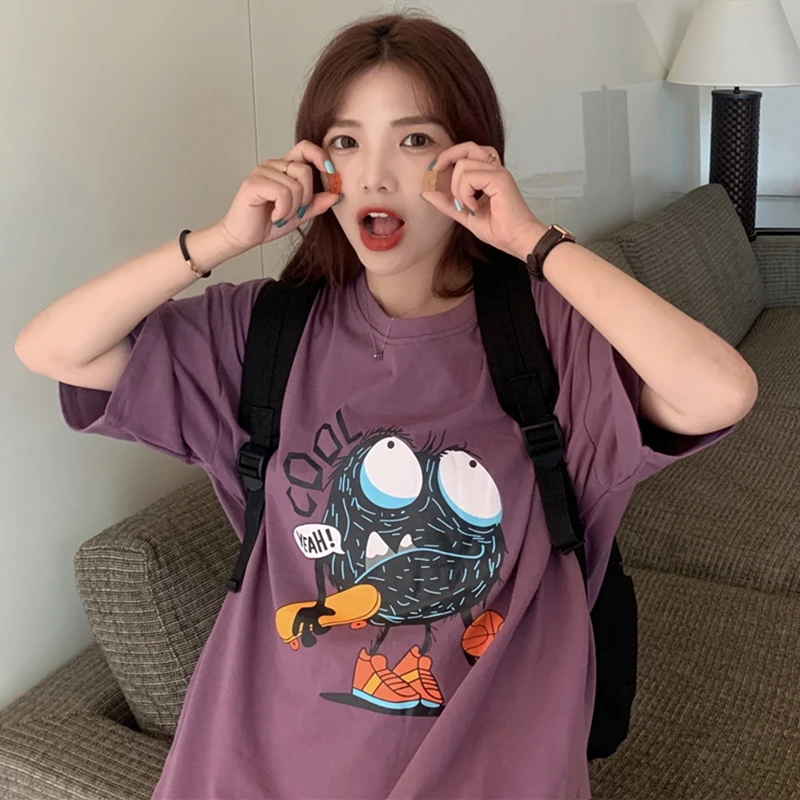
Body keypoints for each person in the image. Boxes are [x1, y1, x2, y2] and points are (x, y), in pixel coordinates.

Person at [15, 10, 758, 799]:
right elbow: (54, 348)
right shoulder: (266, 331)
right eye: (345, 141)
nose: (373, 177)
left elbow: (721, 391)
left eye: (414, 140)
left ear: (470, 159)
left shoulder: (545, 336)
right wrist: (221, 240)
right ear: (315, 166)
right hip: (256, 767)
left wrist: (534, 242)